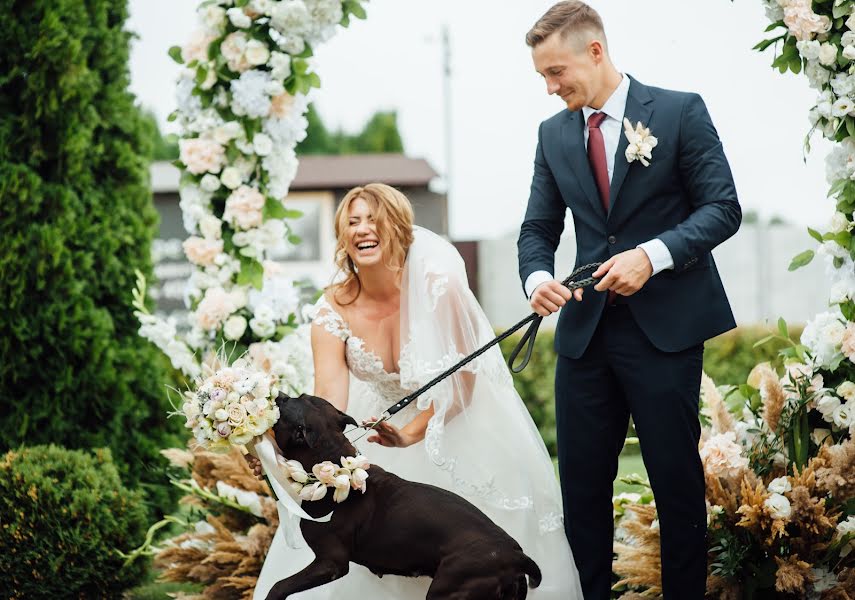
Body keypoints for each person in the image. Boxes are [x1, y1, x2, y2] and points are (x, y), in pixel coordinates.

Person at [253, 183, 582, 598]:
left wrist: (414, 431)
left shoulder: (437, 285)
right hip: (374, 439)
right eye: (351, 222)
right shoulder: (331, 309)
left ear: (400, 228)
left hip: (456, 423)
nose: (361, 229)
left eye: (373, 219)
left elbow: (466, 377)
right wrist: (284, 454)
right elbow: (328, 404)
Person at [517, 3, 742, 598]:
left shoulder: (678, 111)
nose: (550, 87)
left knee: (676, 487)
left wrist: (653, 256)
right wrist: (536, 276)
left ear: (596, 51)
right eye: (542, 76)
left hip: (664, 332)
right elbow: (537, 228)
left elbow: (722, 208)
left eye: (556, 71)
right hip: (585, 337)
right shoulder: (553, 134)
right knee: (583, 494)